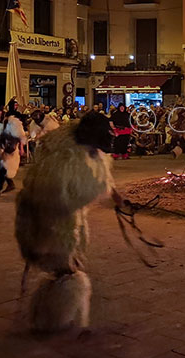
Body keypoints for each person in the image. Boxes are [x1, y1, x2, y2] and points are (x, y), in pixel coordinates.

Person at [15, 112, 123, 332]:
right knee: (65, 268)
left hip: (65, 219)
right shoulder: (66, 159)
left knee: (67, 265)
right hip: (50, 221)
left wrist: (115, 196)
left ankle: (54, 316)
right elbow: (51, 196)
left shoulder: (87, 152)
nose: (111, 137)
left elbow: (99, 180)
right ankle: (54, 318)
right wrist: (44, 236)